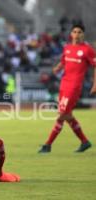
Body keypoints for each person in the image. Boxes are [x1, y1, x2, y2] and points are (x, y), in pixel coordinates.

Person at [39, 24, 96, 153]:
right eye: (74, 31)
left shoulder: (87, 50)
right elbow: (64, 61)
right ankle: (85, 142)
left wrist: (95, 84)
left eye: (79, 32)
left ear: (83, 34)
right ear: (71, 34)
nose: (76, 34)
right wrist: (57, 68)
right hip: (64, 84)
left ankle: (48, 145)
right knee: (67, 115)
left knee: (62, 114)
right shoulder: (68, 48)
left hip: (74, 86)